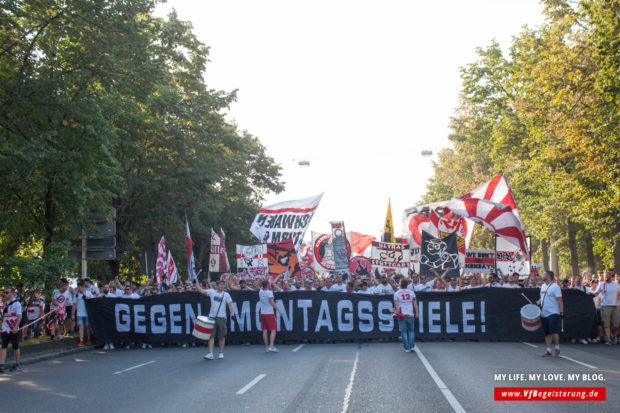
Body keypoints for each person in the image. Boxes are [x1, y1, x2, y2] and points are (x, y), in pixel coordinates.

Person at [196, 280, 235, 360]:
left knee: (221, 336)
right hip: (212, 317)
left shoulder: (226, 295)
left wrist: (232, 314)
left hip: (221, 317)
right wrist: (195, 283)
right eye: (220, 284)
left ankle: (221, 352)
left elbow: (230, 304)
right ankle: (210, 353)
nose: (222, 286)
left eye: (223, 285)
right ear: (216, 286)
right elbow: (200, 290)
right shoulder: (212, 292)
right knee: (211, 335)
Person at [537, 270, 563, 357]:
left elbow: (560, 300)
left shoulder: (555, 287)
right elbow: (542, 298)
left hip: (553, 312)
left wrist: (561, 312)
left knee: (553, 330)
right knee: (547, 332)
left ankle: (557, 347)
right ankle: (548, 349)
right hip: (544, 312)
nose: (542, 276)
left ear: (548, 276)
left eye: (544, 274)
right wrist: (538, 302)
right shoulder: (543, 286)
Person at [593, 268, 619, 344]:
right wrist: (590, 293)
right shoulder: (601, 284)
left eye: (607, 275)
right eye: (605, 276)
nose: (606, 277)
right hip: (605, 306)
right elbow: (596, 293)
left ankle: (612, 334)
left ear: (611, 276)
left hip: (614, 306)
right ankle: (608, 339)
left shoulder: (615, 284)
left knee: (616, 324)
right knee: (606, 324)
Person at [393, 279, 419, 353]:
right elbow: (415, 303)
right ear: (407, 284)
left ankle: (406, 348)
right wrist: (417, 313)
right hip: (410, 314)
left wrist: (397, 313)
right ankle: (412, 346)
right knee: (411, 331)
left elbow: (396, 306)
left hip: (402, 314)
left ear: (400, 284)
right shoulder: (411, 292)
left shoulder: (397, 293)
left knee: (404, 332)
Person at [0, 287, 22, 372]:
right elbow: (3, 317)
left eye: (7, 292)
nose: (5, 294)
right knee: (3, 346)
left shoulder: (17, 304)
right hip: (5, 328)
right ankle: (1, 365)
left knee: (15, 346)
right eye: (4, 292)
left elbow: (19, 316)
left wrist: (16, 327)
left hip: (13, 328)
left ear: (12, 293)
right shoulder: (5, 303)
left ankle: (17, 364)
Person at [258, 280, 282, 352]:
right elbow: (272, 302)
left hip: (263, 313)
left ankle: (267, 347)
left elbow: (258, 286)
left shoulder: (260, 292)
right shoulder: (269, 292)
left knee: (264, 330)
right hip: (269, 313)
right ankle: (271, 346)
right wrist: (279, 310)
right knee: (273, 329)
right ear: (268, 285)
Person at [72, 281, 93, 347]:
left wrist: (85, 295)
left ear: (83, 287)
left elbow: (92, 301)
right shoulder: (76, 294)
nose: (79, 289)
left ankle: (89, 339)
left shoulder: (88, 293)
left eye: (80, 287)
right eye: (78, 287)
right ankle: (81, 341)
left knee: (87, 327)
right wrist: (73, 314)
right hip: (79, 313)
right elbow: (74, 304)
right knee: (81, 326)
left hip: (87, 313)